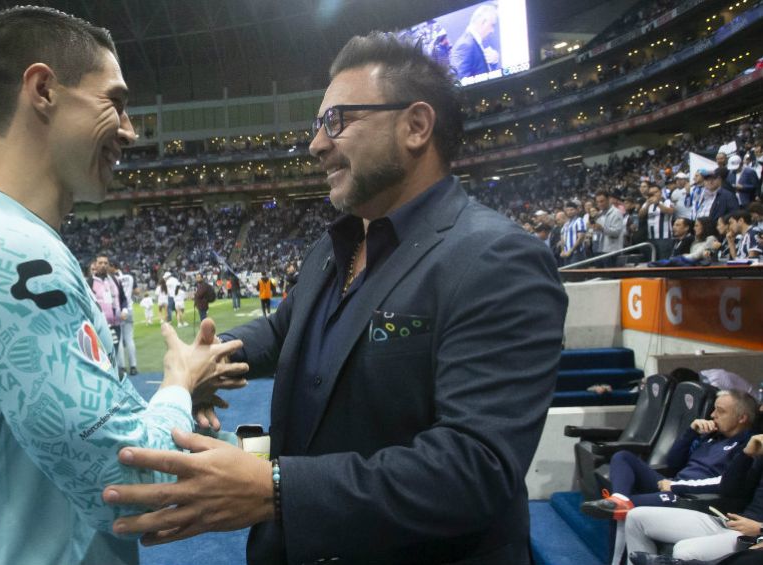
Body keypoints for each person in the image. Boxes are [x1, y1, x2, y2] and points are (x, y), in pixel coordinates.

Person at [102, 32, 568, 565]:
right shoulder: (336, 242)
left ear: (416, 126)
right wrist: (208, 359)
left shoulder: (498, 259)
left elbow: (474, 467)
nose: (316, 144)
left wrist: (276, 488)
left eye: (337, 120)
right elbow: (286, 330)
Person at [0, 7, 247, 565]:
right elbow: (130, 487)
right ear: (43, 90)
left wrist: (171, 400)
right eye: (115, 101)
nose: (130, 130)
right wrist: (179, 385)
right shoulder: (4, 251)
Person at [581, 391, 756, 565]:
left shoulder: (746, 447)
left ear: (742, 418)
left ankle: (615, 553)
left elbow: (723, 482)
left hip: (689, 496)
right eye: (713, 410)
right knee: (622, 457)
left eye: (720, 411)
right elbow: (673, 462)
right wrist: (691, 432)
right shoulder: (712, 436)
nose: (713, 415)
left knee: (627, 510)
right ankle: (619, 498)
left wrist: (675, 486)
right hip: (673, 483)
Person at [624, 433, 763, 564]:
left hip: (753, 536)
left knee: (685, 551)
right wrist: (746, 455)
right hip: (733, 522)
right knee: (636, 517)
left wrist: (760, 528)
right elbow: (729, 489)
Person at [450, 3, 499, 81]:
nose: (492, 31)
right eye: (492, 25)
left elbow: (484, 73)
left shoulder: (475, 42)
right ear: (483, 22)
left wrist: (494, 62)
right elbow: (462, 83)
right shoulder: (465, 45)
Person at [114, 265, 138, 376]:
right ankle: (133, 366)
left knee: (119, 340)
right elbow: (137, 291)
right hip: (129, 309)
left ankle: (122, 368)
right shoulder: (130, 277)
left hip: (118, 310)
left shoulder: (112, 279)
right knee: (130, 339)